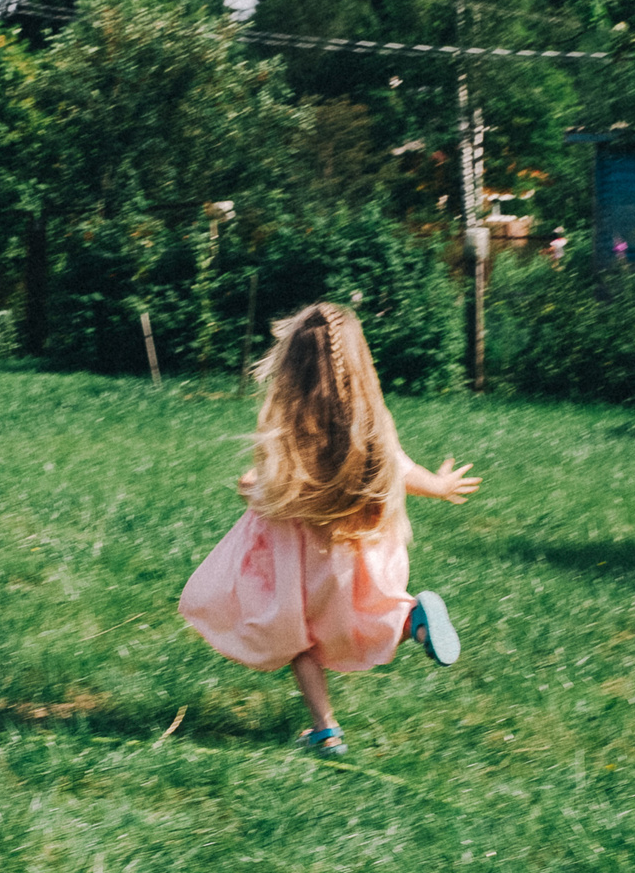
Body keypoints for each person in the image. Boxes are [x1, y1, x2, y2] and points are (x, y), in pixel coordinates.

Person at [178, 302, 481, 756]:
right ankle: (414, 621)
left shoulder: (291, 428)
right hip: (360, 551)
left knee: (295, 635)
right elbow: (400, 471)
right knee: (365, 618)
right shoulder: (370, 425)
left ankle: (326, 730)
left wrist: (250, 488)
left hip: (299, 562)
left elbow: (273, 491)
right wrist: (439, 486)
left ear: (290, 367)